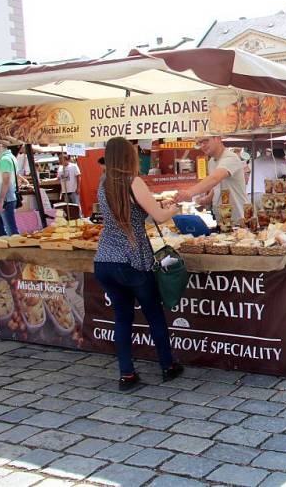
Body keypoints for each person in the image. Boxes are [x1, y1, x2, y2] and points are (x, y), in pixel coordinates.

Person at [94, 137, 183, 390]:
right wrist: (174, 207)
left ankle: (127, 375)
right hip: (133, 260)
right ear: (129, 156)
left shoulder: (103, 184)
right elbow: (160, 217)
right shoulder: (134, 182)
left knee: (122, 318)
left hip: (105, 260)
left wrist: (156, 206)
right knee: (154, 314)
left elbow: (133, 211)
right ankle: (167, 366)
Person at [175, 136, 249, 225]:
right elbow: (216, 184)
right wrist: (208, 199)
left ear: (217, 138)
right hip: (222, 220)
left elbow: (215, 178)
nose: (202, 145)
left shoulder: (230, 158)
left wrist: (189, 192)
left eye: (205, 141)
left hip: (238, 220)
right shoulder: (211, 162)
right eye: (199, 143)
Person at [0, 143, 22, 236]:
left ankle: (18, 249)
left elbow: (6, 180)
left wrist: (2, 200)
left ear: (0, 145)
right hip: (10, 197)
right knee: (6, 228)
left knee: (11, 230)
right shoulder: (11, 157)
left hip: (5, 199)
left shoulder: (4, 160)